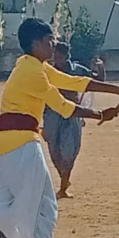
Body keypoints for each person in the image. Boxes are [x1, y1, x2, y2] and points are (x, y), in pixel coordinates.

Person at [0, 18, 119, 238]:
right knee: (46, 208)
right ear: (36, 43)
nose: (54, 45)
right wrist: (99, 114)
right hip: (22, 144)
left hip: (3, 145)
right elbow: (62, 104)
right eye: (49, 41)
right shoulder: (34, 72)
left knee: (13, 206)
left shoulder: (30, 66)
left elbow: (76, 81)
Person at [42, 42, 95, 198]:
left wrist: (99, 67)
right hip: (52, 113)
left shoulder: (78, 70)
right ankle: (63, 179)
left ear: (66, 56)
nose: (57, 58)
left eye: (60, 55)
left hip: (73, 112)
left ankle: (64, 187)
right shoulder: (47, 71)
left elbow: (96, 80)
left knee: (70, 152)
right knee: (54, 151)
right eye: (55, 55)